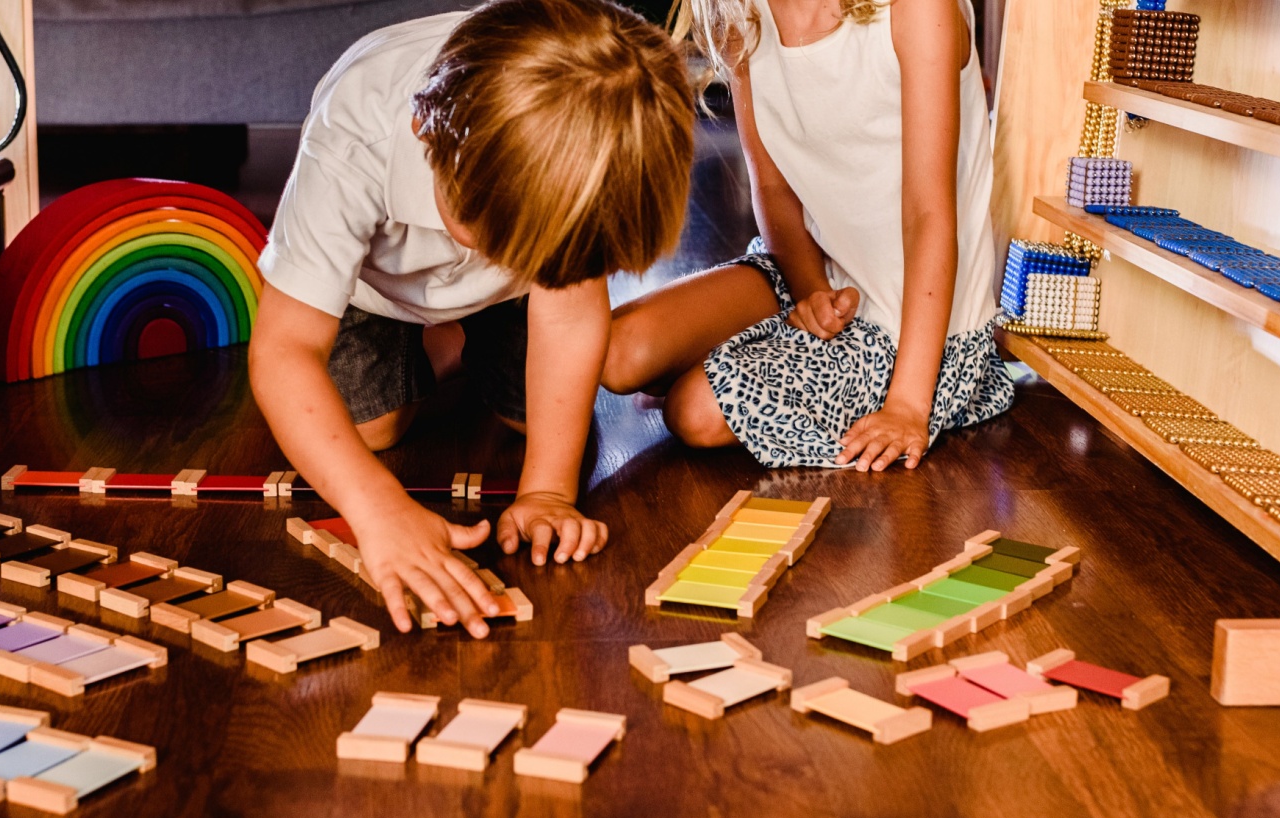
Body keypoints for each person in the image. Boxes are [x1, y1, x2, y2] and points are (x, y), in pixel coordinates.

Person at [250, 0, 694, 637]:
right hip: (371, 290)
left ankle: (463, 336)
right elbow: (283, 351)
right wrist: (378, 509)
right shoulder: (355, 134)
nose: (500, 255)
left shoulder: (578, 140)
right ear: (433, 145)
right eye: (495, 235)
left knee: (534, 419)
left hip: (513, 297)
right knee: (370, 432)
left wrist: (546, 493)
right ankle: (446, 343)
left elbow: (569, 322)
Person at [603, 0, 1014, 471]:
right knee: (619, 352)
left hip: (918, 331)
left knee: (692, 411)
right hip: (819, 272)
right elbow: (773, 188)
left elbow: (928, 216)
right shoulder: (739, 14)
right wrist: (812, 294)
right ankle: (755, 354)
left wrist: (907, 406)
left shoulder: (919, 10)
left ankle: (733, 366)